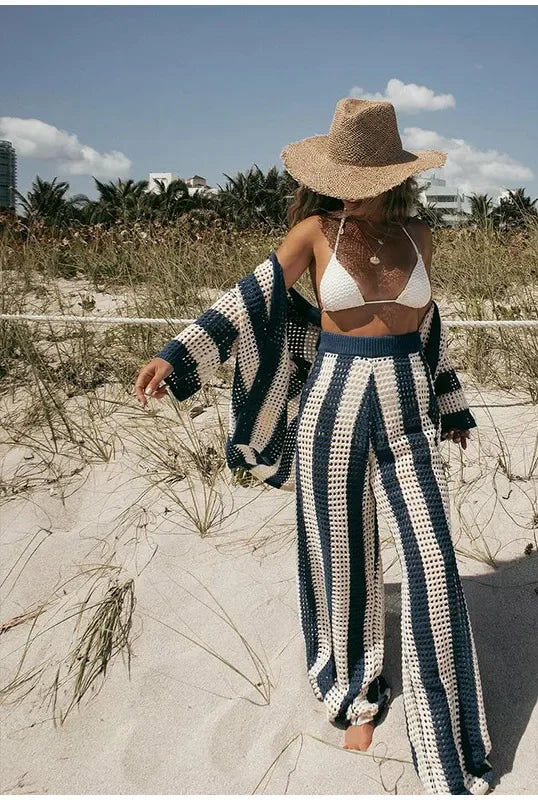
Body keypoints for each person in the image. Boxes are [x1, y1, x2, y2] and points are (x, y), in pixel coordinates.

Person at [134, 97, 495, 795]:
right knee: (342, 556)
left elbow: (430, 330)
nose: (352, 193)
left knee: (432, 559)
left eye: (366, 181)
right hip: (333, 405)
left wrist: (452, 405)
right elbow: (250, 299)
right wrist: (177, 355)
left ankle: (444, 726)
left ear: (393, 178)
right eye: (344, 181)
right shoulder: (314, 232)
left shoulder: (421, 236)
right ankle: (357, 696)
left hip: (407, 409)